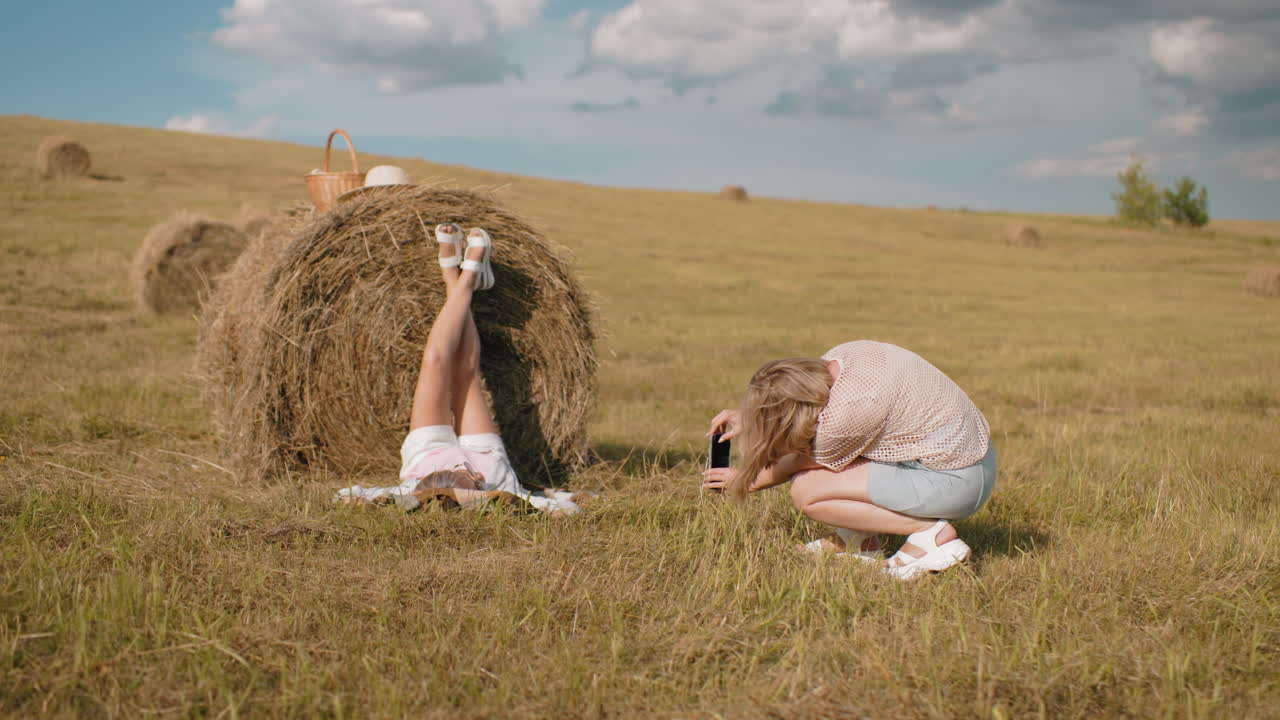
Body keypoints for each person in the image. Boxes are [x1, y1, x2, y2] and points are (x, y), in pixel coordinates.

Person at [335, 223, 580, 515]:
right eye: (470, 478)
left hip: (428, 449)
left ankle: (456, 279)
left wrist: (380, 498)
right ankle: (462, 276)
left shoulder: (408, 491)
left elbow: (345, 494)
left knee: (435, 360)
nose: (465, 471)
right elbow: (567, 510)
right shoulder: (500, 487)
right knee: (466, 372)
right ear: (479, 485)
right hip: (484, 453)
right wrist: (488, 496)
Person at [703, 341, 994, 579]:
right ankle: (858, 542)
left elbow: (794, 463)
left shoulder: (847, 416)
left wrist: (746, 480)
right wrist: (754, 416)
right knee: (837, 468)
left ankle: (931, 535)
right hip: (964, 462)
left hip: (957, 483)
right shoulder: (844, 355)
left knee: (809, 491)